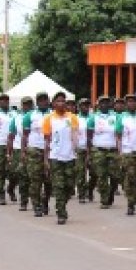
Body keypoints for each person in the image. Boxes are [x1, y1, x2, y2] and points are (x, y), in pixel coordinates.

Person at [42, 92, 79, 225]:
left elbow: (75, 136)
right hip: (55, 157)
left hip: (70, 157)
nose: (61, 103)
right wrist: (46, 159)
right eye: (58, 101)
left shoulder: (72, 117)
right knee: (58, 186)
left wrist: (76, 152)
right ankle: (61, 213)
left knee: (69, 187)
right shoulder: (49, 119)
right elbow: (46, 141)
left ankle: (62, 203)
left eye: (63, 101)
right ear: (53, 103)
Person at [22, 92, 52, 217]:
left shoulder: (53, 115)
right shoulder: (30, 115)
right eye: (40, 100)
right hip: (34, 149)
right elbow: (25, 135)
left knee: (49, 181)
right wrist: (24, 151)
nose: (43, 102)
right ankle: (36, 205)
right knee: (35, 180)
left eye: (45, 99)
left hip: (50, 150)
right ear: (37, 102)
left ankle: (45, 201)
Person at [116, 93, 136, 215]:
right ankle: (130, 204)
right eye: (129, 101)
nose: (132, 103)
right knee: (130, 177)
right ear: (126, 104)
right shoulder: (122, 117)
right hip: (128, 152)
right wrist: (120, 152)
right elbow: (118, 136)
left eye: (134, 101)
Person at [87, 95, 118, 209]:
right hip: (98, 150)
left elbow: (119, 134)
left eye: (106, 102)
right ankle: (104, 199)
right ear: (98, 105)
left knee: (115, 175)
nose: (104, 105)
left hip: (113, 150)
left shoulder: (115, 116)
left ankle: (111, 193)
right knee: (102, 175)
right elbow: (89, 136)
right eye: (102, 103)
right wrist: (89, 153)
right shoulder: (93, 118)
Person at [7, 96, 32, 211]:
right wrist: (9, 152)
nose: (27, 106)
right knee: (17, 175)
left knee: (30, 176)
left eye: (29, 104)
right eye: (25, 104)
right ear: (22, 105)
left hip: (33, 149)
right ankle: (11, 188)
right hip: (18, 149)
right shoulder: (16, 118)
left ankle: (25, 201)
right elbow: (11, 136)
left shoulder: (35, 117)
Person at [75, 98, 94, 204]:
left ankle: (90, 190)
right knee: (80, 172)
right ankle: (81, 194)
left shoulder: (93, 118)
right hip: (79, 148)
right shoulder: (75, 118)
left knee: (94, 172)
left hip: (92, 149)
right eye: (83, 105)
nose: (85, 107)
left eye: (87, 105)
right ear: (79, 107)